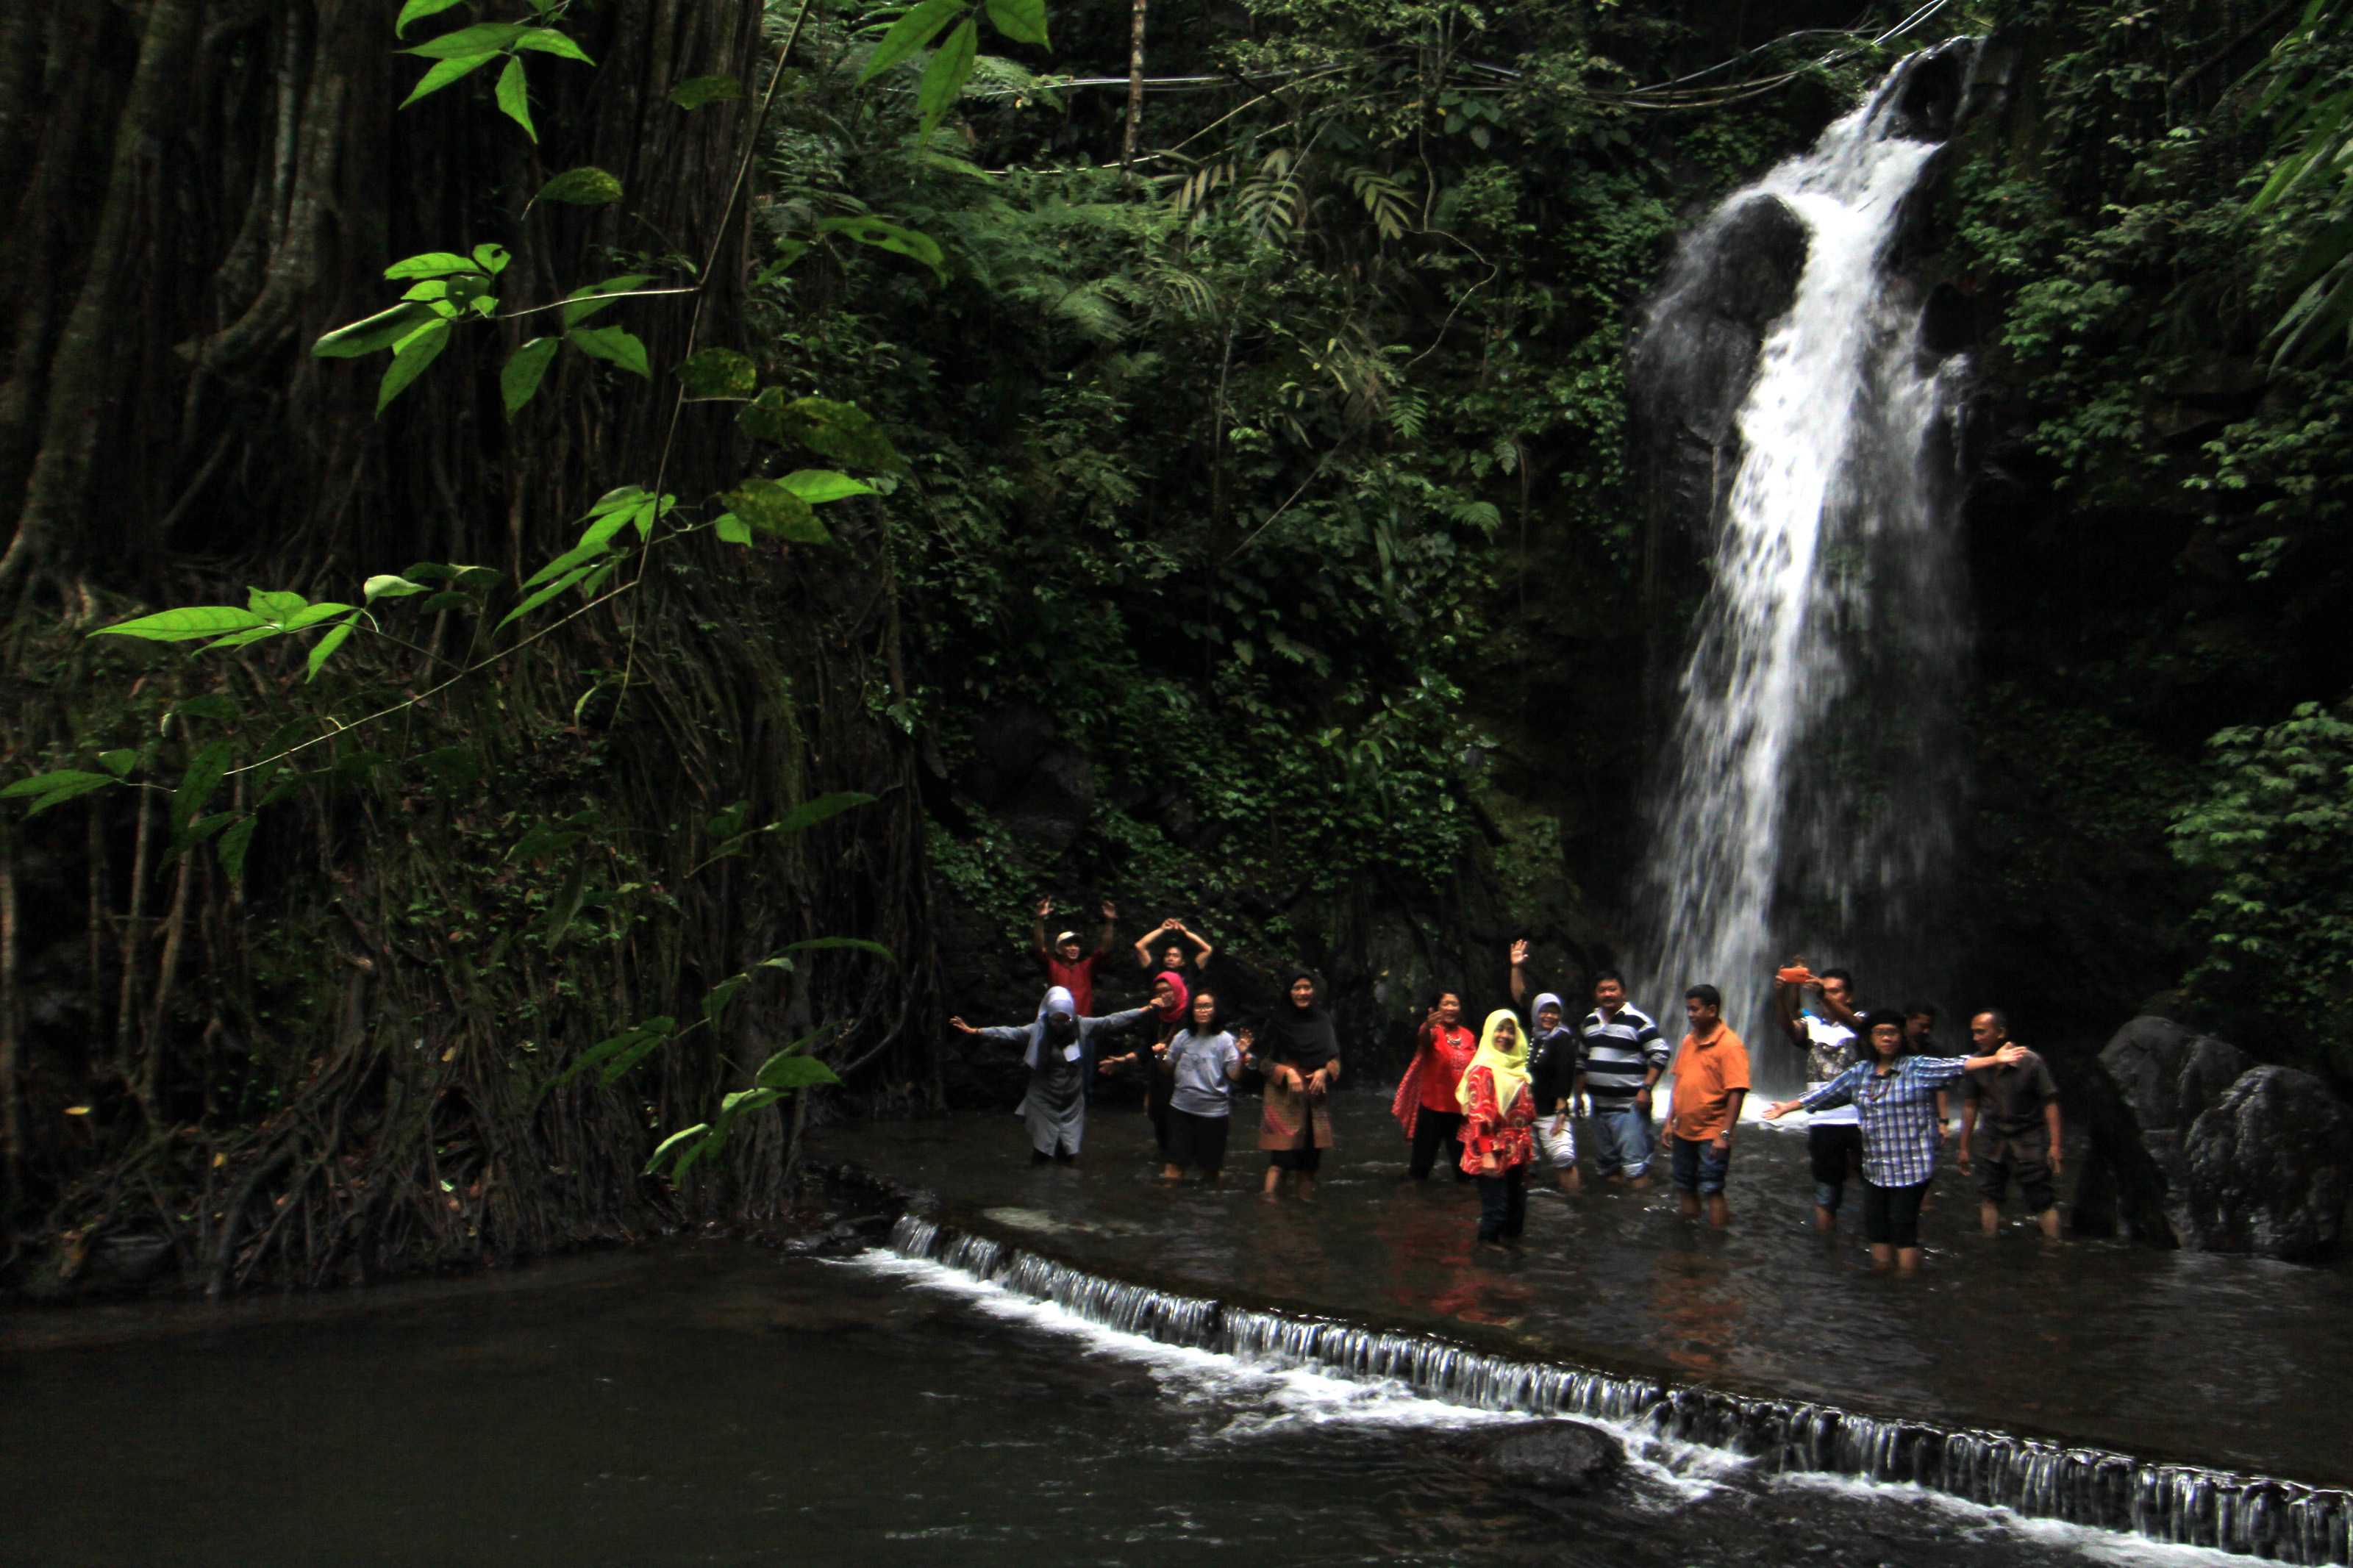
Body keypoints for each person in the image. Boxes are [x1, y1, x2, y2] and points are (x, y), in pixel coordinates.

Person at [1764, 1010, 2029, 1271]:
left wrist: (1995, 1059)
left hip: (1911, 1166)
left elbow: (1958, 1064)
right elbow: (1824, 1095)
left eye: (1892, 1032)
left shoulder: (1917, 1068)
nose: (1887, 1038)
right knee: (1876, 1229)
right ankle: (1884, 1282)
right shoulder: (1860, 1072)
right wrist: (1786, 1107)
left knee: (1903, 1228)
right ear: (1869, 1039)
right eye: (1880, 1033)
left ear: (1901, 1037)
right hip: (1876, 1167)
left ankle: (1907, 1283)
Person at [949, 987, 1149, 1164]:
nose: (1061, 1025)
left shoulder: (1081, 1026)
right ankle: (1040, 1195)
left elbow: (1111, 1022)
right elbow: (1009, 1033)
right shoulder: (1039, 1030)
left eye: (1065, 1020)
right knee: (1042, 1152)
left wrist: (1144, 1010)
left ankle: (1063, 1195)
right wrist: (976, 1031)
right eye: (1056, 1020)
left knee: (1068, 1153)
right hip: (1044, 1098)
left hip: (1071, 1100)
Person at [1957, 1009, 2064, 1239]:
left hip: (2029, 1139)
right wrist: (1964, 1147)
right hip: (1991, 1139)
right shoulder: (1977, 1065)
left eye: (1982, 1032)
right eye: (1974, 1033)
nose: (1976, 1038)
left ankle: (2054, 1247)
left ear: (2001, 1032)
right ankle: (1989, 1245)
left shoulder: (2030, 1063)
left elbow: (2050, 1102)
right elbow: (1970, 1105)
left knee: (2042, 1198)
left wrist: (2055, 1145)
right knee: (1988, 1195)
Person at [1774, 962, 1863, 1232]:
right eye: (1825, 992)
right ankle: (1828, 1251)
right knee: (1826, 1194)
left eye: (1835, 992)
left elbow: (1857, 1025)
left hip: (1862, 1122)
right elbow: (1791, 1027)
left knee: (1875, 1185)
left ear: (1848, 995)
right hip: (1824, 1123)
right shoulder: (1812, 1025)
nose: (1829, 997)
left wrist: (1822, 995)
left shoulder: (1863, 1021)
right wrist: (1781, 994)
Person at [1567, 966, 1669, 1191]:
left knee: (1635, 1168)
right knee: (1607, 1167)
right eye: (1602, 990)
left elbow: (1660, 1053)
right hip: (1599, 1108)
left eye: (1612, 989)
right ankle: (1614, 1213)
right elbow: (1582, 1062)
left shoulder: (1638, 1021)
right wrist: (1578, 1098)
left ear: (1623, 992)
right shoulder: (1590, 1023)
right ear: (1596, 994)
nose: (1607, 994)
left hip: (1629, 1109)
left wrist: (1646, 1089)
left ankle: (1639, 1216)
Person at [1663, 984, 1749, 1226]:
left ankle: (1715, 1242)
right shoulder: (1688, 1041)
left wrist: (1725, 1134)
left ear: (1711, 1010)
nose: (1689, 1014)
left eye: (1694, 1009)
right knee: (1684, 1185)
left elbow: (1737, 1092)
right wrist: (1669, 1122)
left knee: (1712, 1188)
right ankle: (1689, 1234)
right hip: (1684, 1130)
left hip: (1712, 1132)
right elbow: (1679, 1083)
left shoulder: (1730, 1045)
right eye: (1688, 1009)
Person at [1253, 969, 1342, 1199]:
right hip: (1284, 1102)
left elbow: (1336, 1059)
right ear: (1289, 991)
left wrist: (1324, 1072)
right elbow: (1262, 1062)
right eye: (1297, 988)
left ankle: (1304, 1212)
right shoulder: (1277, 1021)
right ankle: (1271, 1213)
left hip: (1315, 1101)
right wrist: (1285, 1072)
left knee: (1310, 1165)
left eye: (1307, 988)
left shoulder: (1322, 1020)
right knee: (1280, 1163)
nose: (1303, 993)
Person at [1458, 1009, 1538, 1245]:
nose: (1505, 1036)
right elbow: (1479, 1116)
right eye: (1499, 1030)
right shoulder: (1482, 1071)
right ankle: (1486, 1260)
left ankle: (1510, 1261)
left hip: (1517, 1149)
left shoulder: (1518, 1070)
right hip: (1491, 1149)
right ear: (1489, 1034)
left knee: (1516, 1212)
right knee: (1496, 1211)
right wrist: (1487, 1155)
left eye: (1511, 1031)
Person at [1096, 970, 1190, 1154]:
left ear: (1177, 989)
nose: (1163, 995)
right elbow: (1147, 1047)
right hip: (1160, 1074)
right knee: (1159, 1117)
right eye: (1159, 992)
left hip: (1186, 1076)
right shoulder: (1155, 1015)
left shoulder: (1190, 1015)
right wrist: (1123, 1060)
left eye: (1167, 990)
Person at [1390, 989, 1477, 1180]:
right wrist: (1427, 1027)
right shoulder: (1432, 1031)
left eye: (1454, 1004)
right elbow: (1423, 1041)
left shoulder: (1468, 1036)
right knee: (1421, 1167)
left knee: (1464, 1171)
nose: (1450, 1008)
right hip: (1432, 1109)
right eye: (1445, 1004)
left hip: (1460, 1111)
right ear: (1436, 1009)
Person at [1160, 989, 1245, 1181]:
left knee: (1210, 1170)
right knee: (1174, 1164)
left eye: (1207, 1006)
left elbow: (1235, 1075)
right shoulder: (1183, 1037)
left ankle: (1207, 1205)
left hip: (1213, 1113)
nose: (1202, 1010)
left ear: (1215, 1010)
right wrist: (1159, 1055)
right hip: (1181, 1109)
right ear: (1192, 1011)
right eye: (1198, 1007)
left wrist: (1242, 1056)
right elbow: (1167, 1067)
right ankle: (1168, 1204)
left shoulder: (1225, 1040)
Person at [1526, 990, 1582, 1194]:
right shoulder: (1530, 1036)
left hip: (1550, 1110)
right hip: (1525, 1111)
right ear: (1536, 1013)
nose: (1549, 1016)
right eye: (1544, 1012)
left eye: (1554, 1012)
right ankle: (1529, 1205)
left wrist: (1561, 1109)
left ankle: (1573, 1201)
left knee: (1563, 1158)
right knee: (1526, 1161)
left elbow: (1565, 1074)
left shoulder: (1562, 1038)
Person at [1032, 897, 1116, 1015]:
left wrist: (1109, 922)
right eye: (1068, 945)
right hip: (1058, 1023)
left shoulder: (1086, 968)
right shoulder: (1053, 967)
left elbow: (1104, 949)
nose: (1073, 948)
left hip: (1082, 1023)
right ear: (1059, 950)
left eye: (1076, 945)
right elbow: (1039, 948)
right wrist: (1040, 919)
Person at [1133, 916, 1214, 977]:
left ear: (1182, 962)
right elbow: (1139, 946)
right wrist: (1162, 929)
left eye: (1176, 956)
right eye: (1168, 955)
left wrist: (1185, 932)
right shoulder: (1155, 971)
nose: (1171, 959)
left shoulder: (1189, 973)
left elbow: (1207, 950)